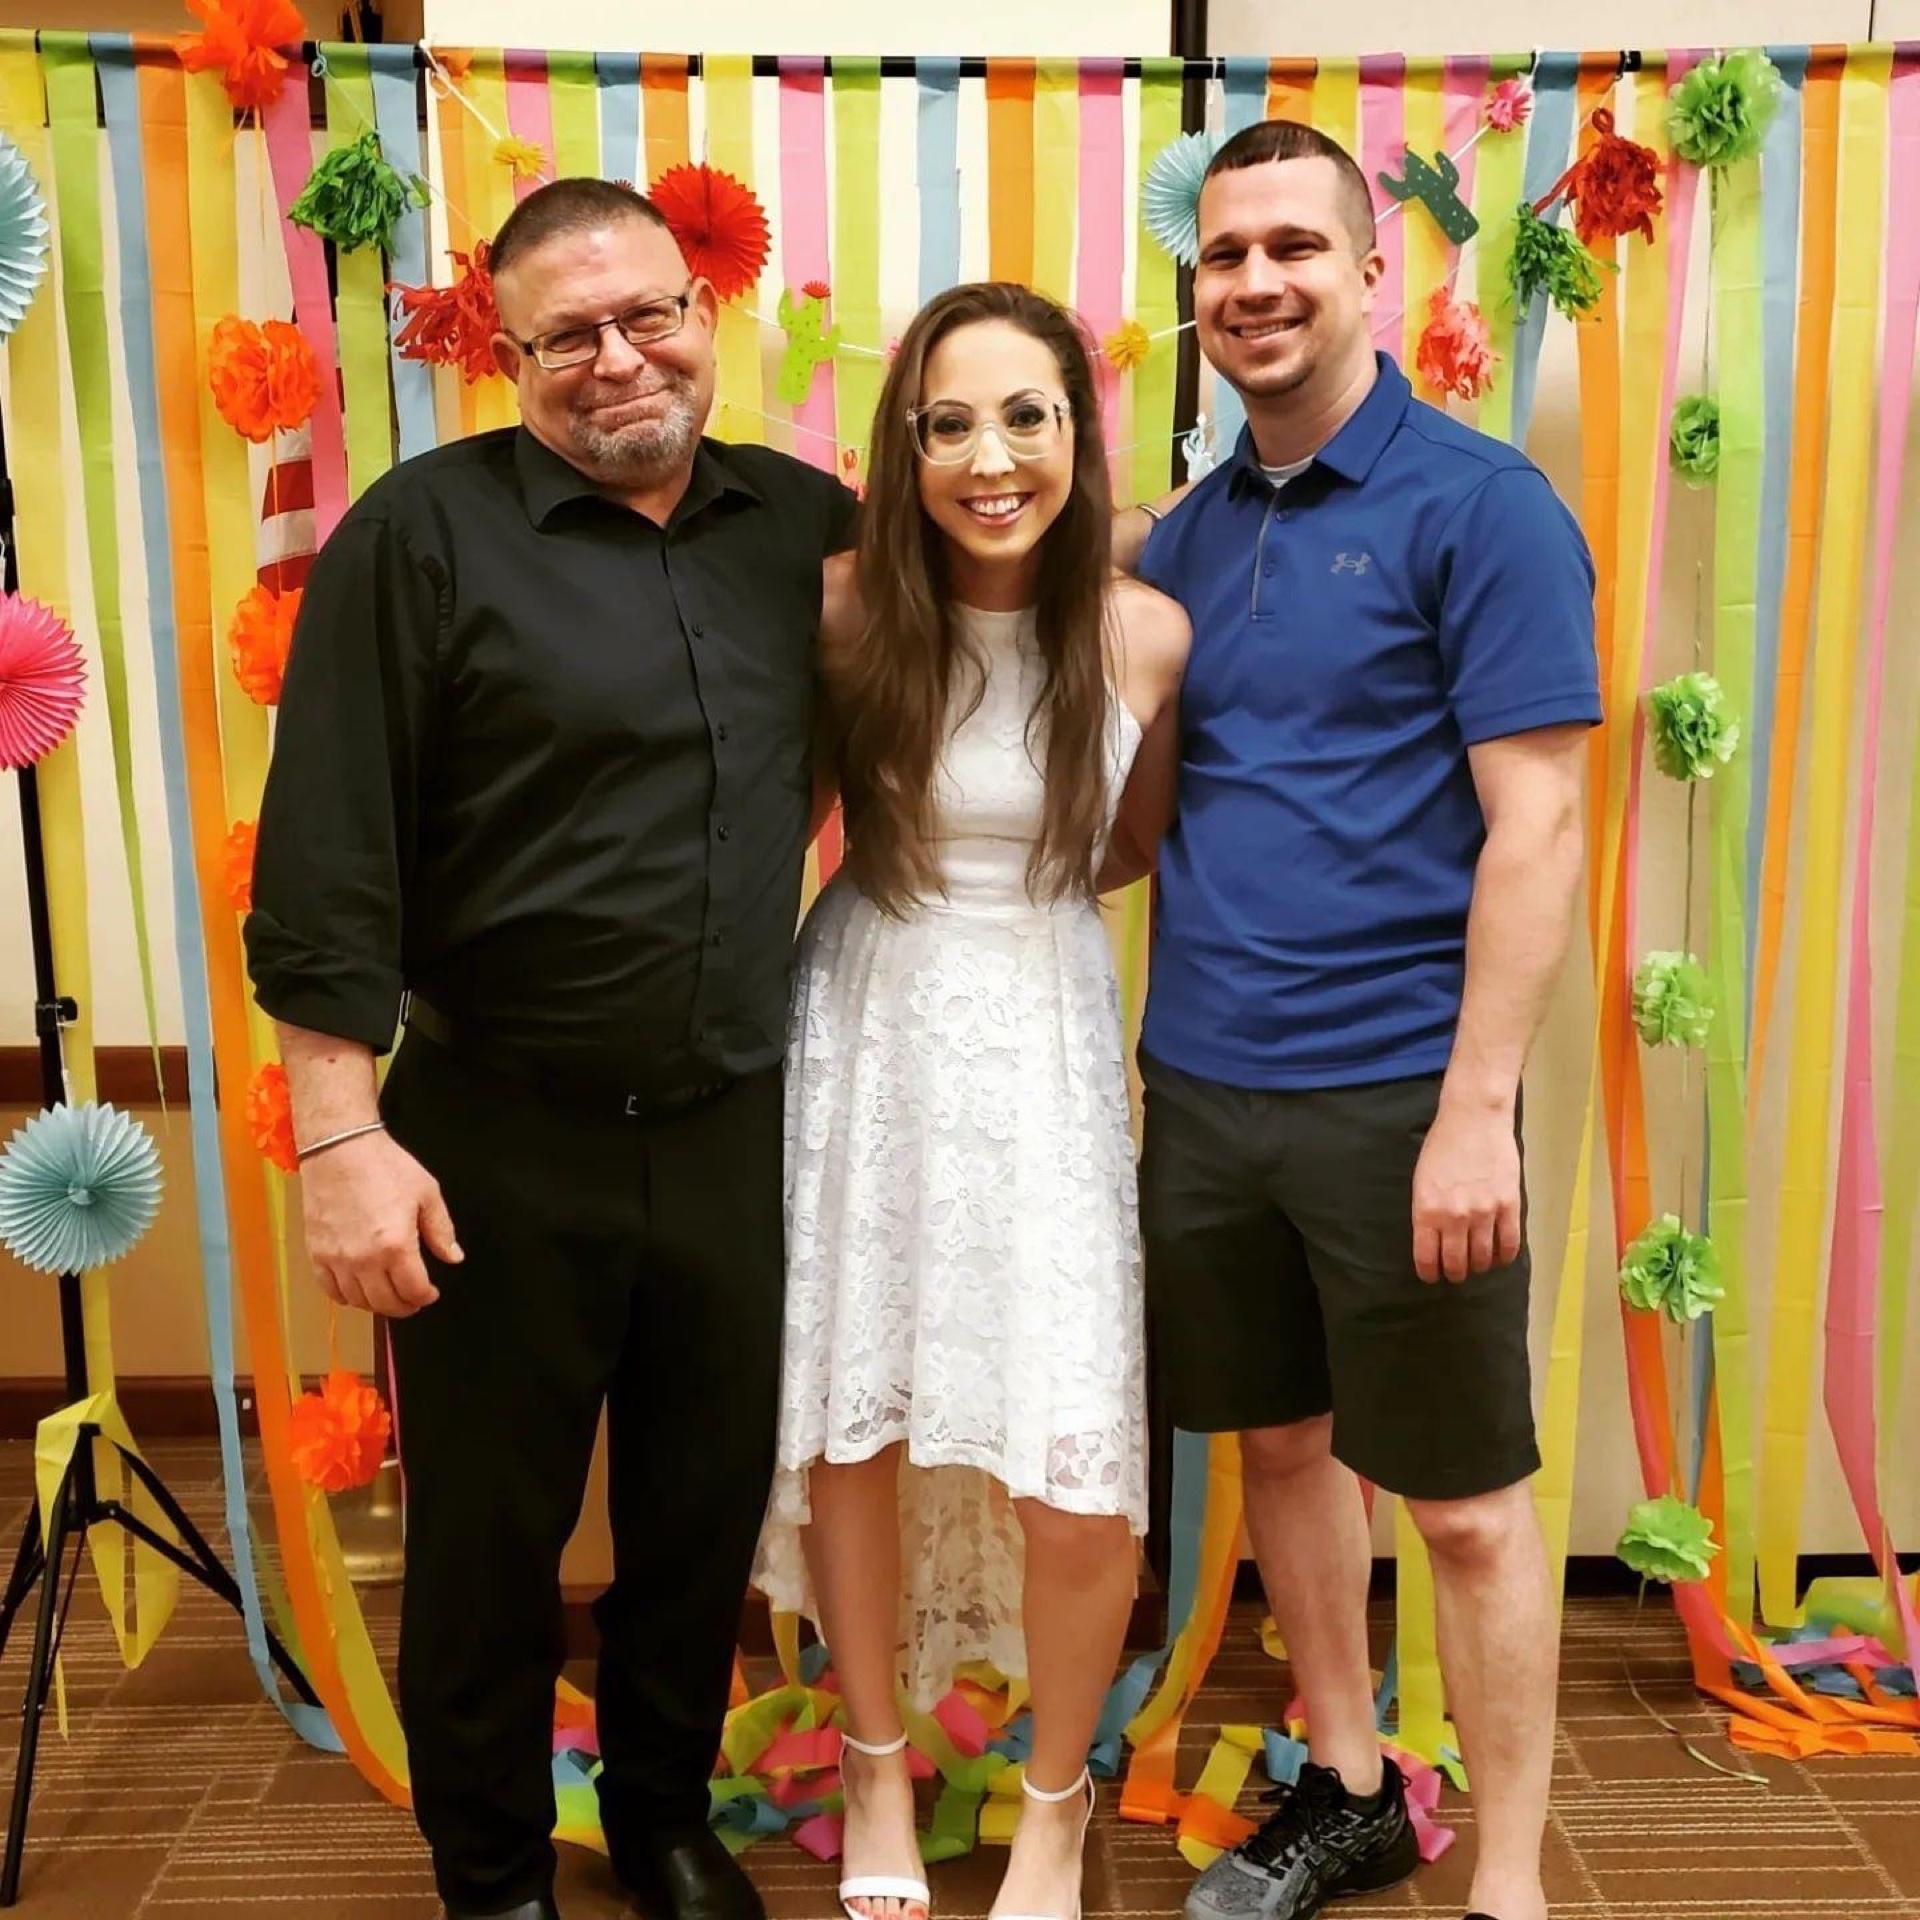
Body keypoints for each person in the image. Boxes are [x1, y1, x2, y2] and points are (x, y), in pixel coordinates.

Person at [245, 178, 856, 1920]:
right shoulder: (419, 535)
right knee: (490, 1541)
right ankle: (494, 1871)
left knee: (697, 1516)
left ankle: (663, 1820)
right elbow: (330, 849)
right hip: (490, 1135)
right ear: (506, 355)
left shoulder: (807, 525)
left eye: (647, 314)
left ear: (705, 313)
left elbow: (982, 612)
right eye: (567, 335)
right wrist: (339, 1138)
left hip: (735, 1122)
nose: (618, 359)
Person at [1106, 122, 1601, 1920]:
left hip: (1405, 1093)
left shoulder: (1483, 505)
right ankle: (1349, 1779)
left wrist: (1478, 1111)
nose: (1255, 282)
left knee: (1461, 1502)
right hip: (1204, 1084)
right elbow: (1138, 815)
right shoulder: (1183, 539)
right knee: (1284, 1447)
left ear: (1373, 272)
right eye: (1225, 255)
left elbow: (1540, 823)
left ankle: (1512, 1880)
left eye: (1295, 247)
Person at [751, 282, 1189, 1920]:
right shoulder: (843, 611)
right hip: (869, 1021)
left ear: (1079, 429)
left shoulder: (1145, 633)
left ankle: (1057, 1805)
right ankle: (876, 1763)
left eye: (1026, 417)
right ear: (905, 447)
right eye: (949, 424)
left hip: (1045, 1028)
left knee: (1075, 1460)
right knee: (856, 1425)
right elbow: (772, 819)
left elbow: (1130, 839)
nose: (990, 458)